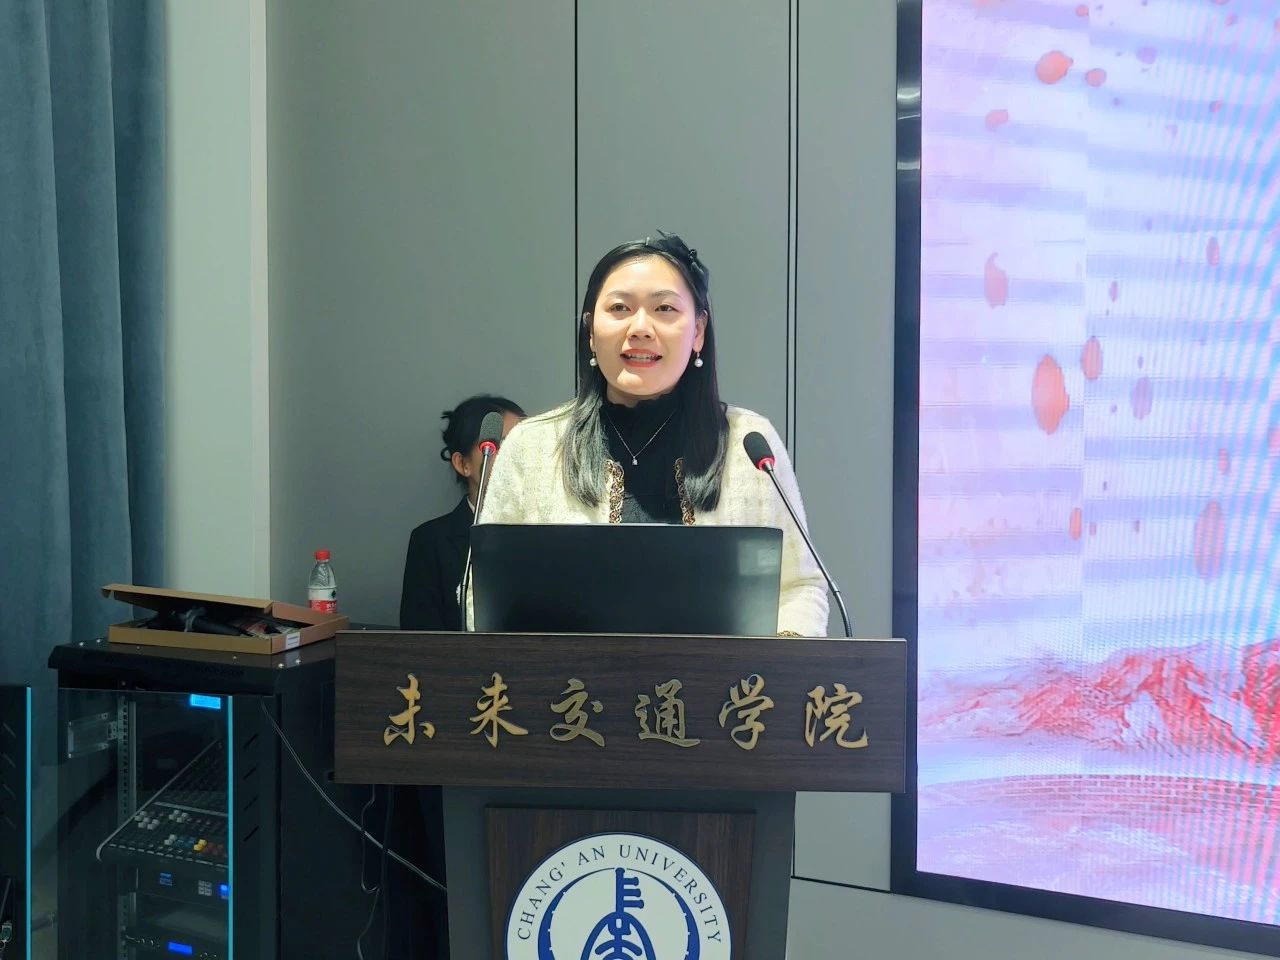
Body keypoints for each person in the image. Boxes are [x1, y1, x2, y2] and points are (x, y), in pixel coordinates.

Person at [473, 233, 829, 637]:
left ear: (698, 331)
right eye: (620, 308)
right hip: (568, 678)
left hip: (718, 678)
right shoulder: (532, 446)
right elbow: (483, 594)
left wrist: (775, 658)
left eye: (664, 308)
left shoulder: (748, 442)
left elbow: (799, 587)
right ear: (590, 331)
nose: (640, 328)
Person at [400, 393, 525, 631]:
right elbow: (419, 636)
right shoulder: (431, 541)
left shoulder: (546, 529)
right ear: (463, 464)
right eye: (501, 446)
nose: (516, 458)